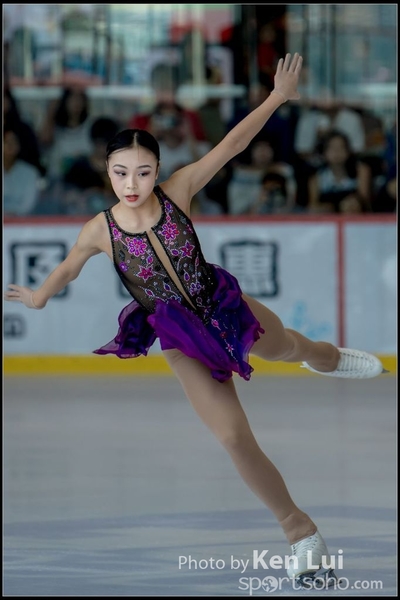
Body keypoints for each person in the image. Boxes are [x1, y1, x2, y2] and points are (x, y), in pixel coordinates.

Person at [4, 53, 386, 589]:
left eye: (142, 172)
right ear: (107, 171)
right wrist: (40, 296)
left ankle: (327, 357)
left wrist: (277, 98)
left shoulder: (178, 191)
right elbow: (68, 268)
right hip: (181, 338)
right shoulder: (99, 229)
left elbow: (231, 145)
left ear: (158, 170)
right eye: (120, 173)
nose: (131, 183)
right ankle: (300, 532)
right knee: (233, 436)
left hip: (223, 305)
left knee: (289, 348)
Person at [307, 130, 372, 214]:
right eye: (332, 148)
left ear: (348, 150)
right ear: (323, 152)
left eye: (341, 147)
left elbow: (364, 201)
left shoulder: (361, 170)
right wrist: (334, 207)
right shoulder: (316, 178)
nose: (337, 152)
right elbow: (313, 206)